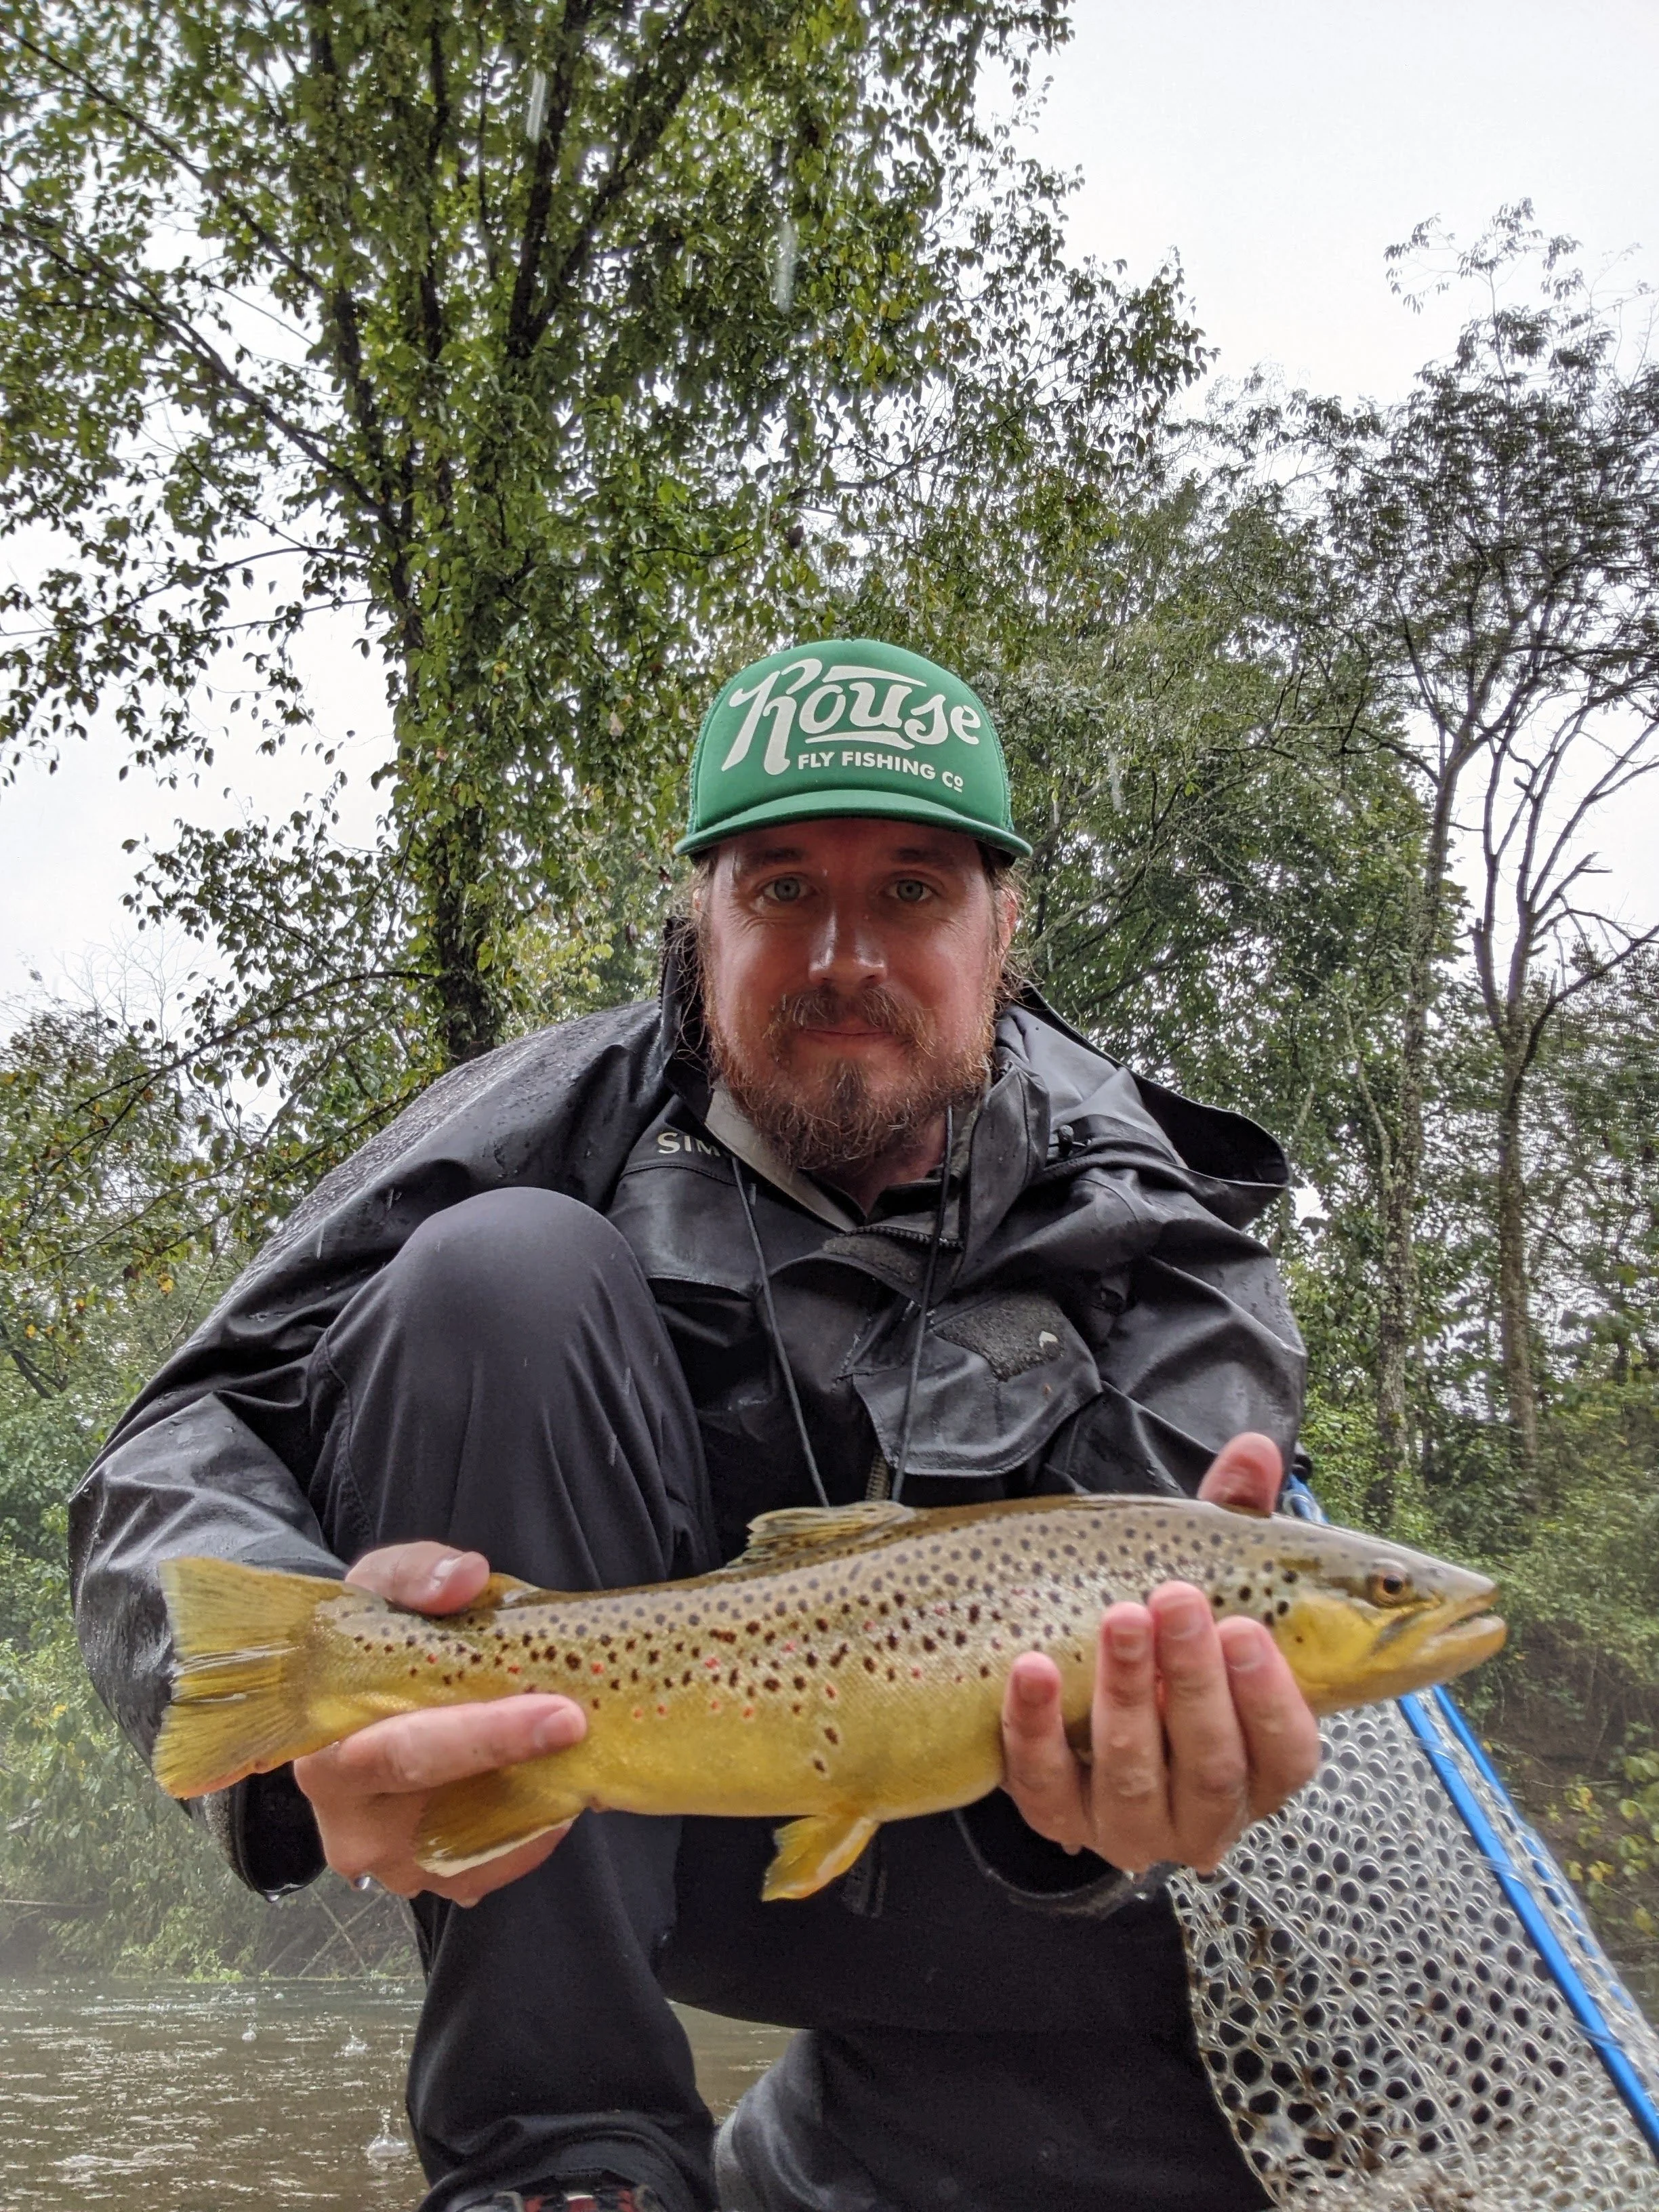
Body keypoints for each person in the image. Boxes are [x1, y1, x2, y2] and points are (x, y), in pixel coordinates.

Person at [70, 638, 1320, 2212]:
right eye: (783, 890)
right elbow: (175, 1438)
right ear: (701, 920)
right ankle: (565, 2162)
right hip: (605, 1818)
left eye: (915, 893)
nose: (845, 952)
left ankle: (883, 2123)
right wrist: (302, 1714)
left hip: (1009, 1906)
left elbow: (1161, 1607)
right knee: (493, 1272)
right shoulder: (557, 1107)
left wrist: (1103, 1806)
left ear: (1005, 930)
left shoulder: (1148, 1219)